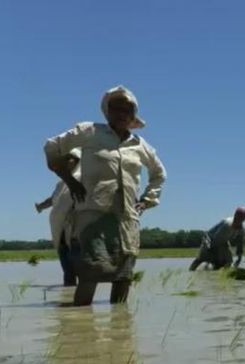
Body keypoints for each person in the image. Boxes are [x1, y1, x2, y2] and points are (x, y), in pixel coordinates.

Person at [44, 85, 166, 306]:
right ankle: (79, 328)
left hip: (127, 220)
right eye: (116, 109)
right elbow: (52, 147)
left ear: (133, 115)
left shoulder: (140, 145)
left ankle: (120, 330)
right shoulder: (90, 132)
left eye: (127, 110)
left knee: (123, 277)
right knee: (91, 272)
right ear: (106, 111)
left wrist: (147, 201)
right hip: (93, 216)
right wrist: (70, 181)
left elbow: (159, 174)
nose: (121, 114)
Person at [35, 149, 81, 286]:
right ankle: (69, 291)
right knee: (67, 270)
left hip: (76, 230)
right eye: (65, 159)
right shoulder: (61, 184)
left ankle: (76, 300)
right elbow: (54, 199)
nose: (66, 162)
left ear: (77, 161)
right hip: (60, 229)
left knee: (79, 267)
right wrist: (42, 206)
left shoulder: (83, 178)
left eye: (70, 158)